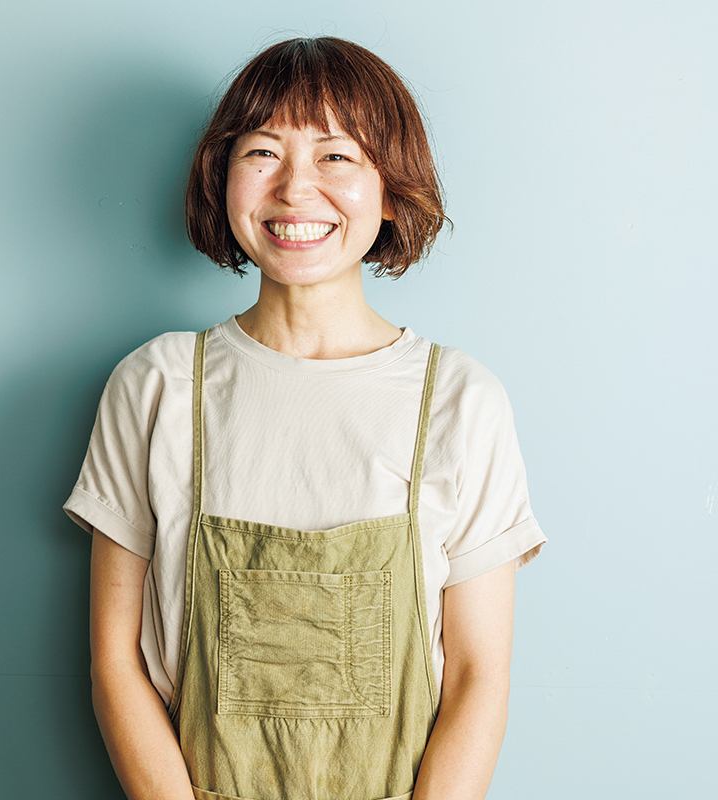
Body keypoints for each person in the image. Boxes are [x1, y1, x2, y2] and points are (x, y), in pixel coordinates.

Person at [64, 36, 546, 800]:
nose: (294, 189)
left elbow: (480, 680)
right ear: (221, 179)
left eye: (336, 157)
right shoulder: (155, 385)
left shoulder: (456, 399)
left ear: (390, 189)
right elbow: (114, 662)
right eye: (261, 152)